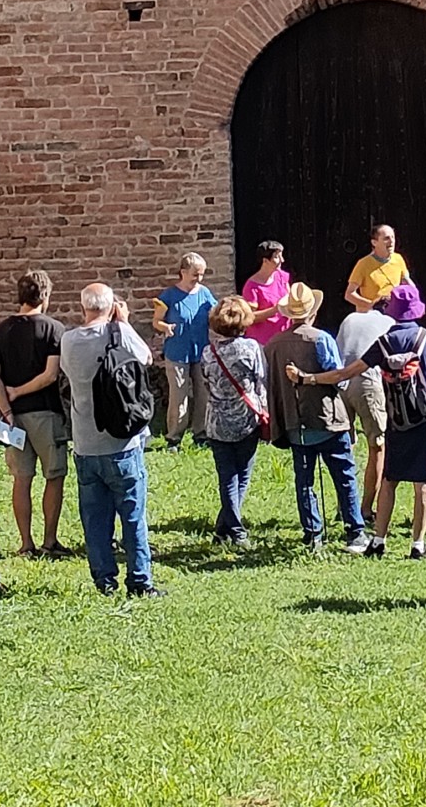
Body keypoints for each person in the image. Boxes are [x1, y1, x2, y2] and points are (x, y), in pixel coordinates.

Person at [307, 281, 426, 558]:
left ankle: (378, 541)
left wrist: (310, 379)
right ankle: (418, 545)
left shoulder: (383, 343)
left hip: (398, 417)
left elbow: (345, 373)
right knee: (422, 483)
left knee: (389, 479)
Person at [61, 284, 160, 597]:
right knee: (132, 515)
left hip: (85, 444)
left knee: (94, 520)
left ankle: (104, 581)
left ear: (83, 307)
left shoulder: (69, 340)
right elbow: (145, 358)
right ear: (112, 306)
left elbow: (67, 372)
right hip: (122, 442)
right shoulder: (119, 332)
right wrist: (124, 323)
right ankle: (140, 581)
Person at [265, 284, 371, 552]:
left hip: (294, 422)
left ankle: (313, 534)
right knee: (344, 475)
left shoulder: (273, 345)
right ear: (312, 311)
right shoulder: (321, 339)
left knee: (305, 480)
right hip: (329, 421)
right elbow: (339, 380)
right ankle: (355, 532)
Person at [0, 270, 69, 558]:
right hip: (46, 413)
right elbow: (50, 375)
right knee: (54, 475)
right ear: (45, 296)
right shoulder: (54, 329)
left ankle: (25, 543)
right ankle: (50, 540)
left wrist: (6, 408)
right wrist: (19, 392)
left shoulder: (1, 330)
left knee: (22, 478)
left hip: (13, 419)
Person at [198, 295, 269, 547]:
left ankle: (222, 529)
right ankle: (236, 531)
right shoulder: (251, 348)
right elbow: (260, 382)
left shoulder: (209, 352)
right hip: (246, 419)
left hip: (216, 421)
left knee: (227, 476)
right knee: (243, 475)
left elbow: (207, 383)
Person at [334, 286, 395, 515]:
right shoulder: (389, 323)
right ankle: (367, 509)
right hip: (368, 380)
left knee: (343, 445)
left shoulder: (351, 318)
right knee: (377, 445)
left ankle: (345, 507)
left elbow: (339, 350)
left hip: (341, 381)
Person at [154, 254, 215, 450]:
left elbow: (216, 314)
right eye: (195, 274)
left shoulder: (204, 293)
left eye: (202, 274)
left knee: (203, 393)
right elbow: (156, 321)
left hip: (200, 350)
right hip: (177, 351)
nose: (199, 279)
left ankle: (201, 434)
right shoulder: (169, 296)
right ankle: (174, 438)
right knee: (178, 396)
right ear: (183, 272)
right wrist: (165, 328)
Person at [344, 224, 409, 314]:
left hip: (394, 316)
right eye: (386, 238)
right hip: (371, 316)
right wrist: (372, 306)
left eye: (393, 237)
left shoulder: (398, 259)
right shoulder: (363, 264)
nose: (391, 242)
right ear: (374, 242)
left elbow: (407, 282)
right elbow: (349, 294)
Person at [241, 241, 293, 346]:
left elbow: (290, 296)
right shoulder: (252, 287)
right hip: (263, 342)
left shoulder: (282, 276)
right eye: (277, 257)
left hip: (284, 337)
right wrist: (276, 309)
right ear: (265, 261)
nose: (282, 260)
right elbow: (250, 318)